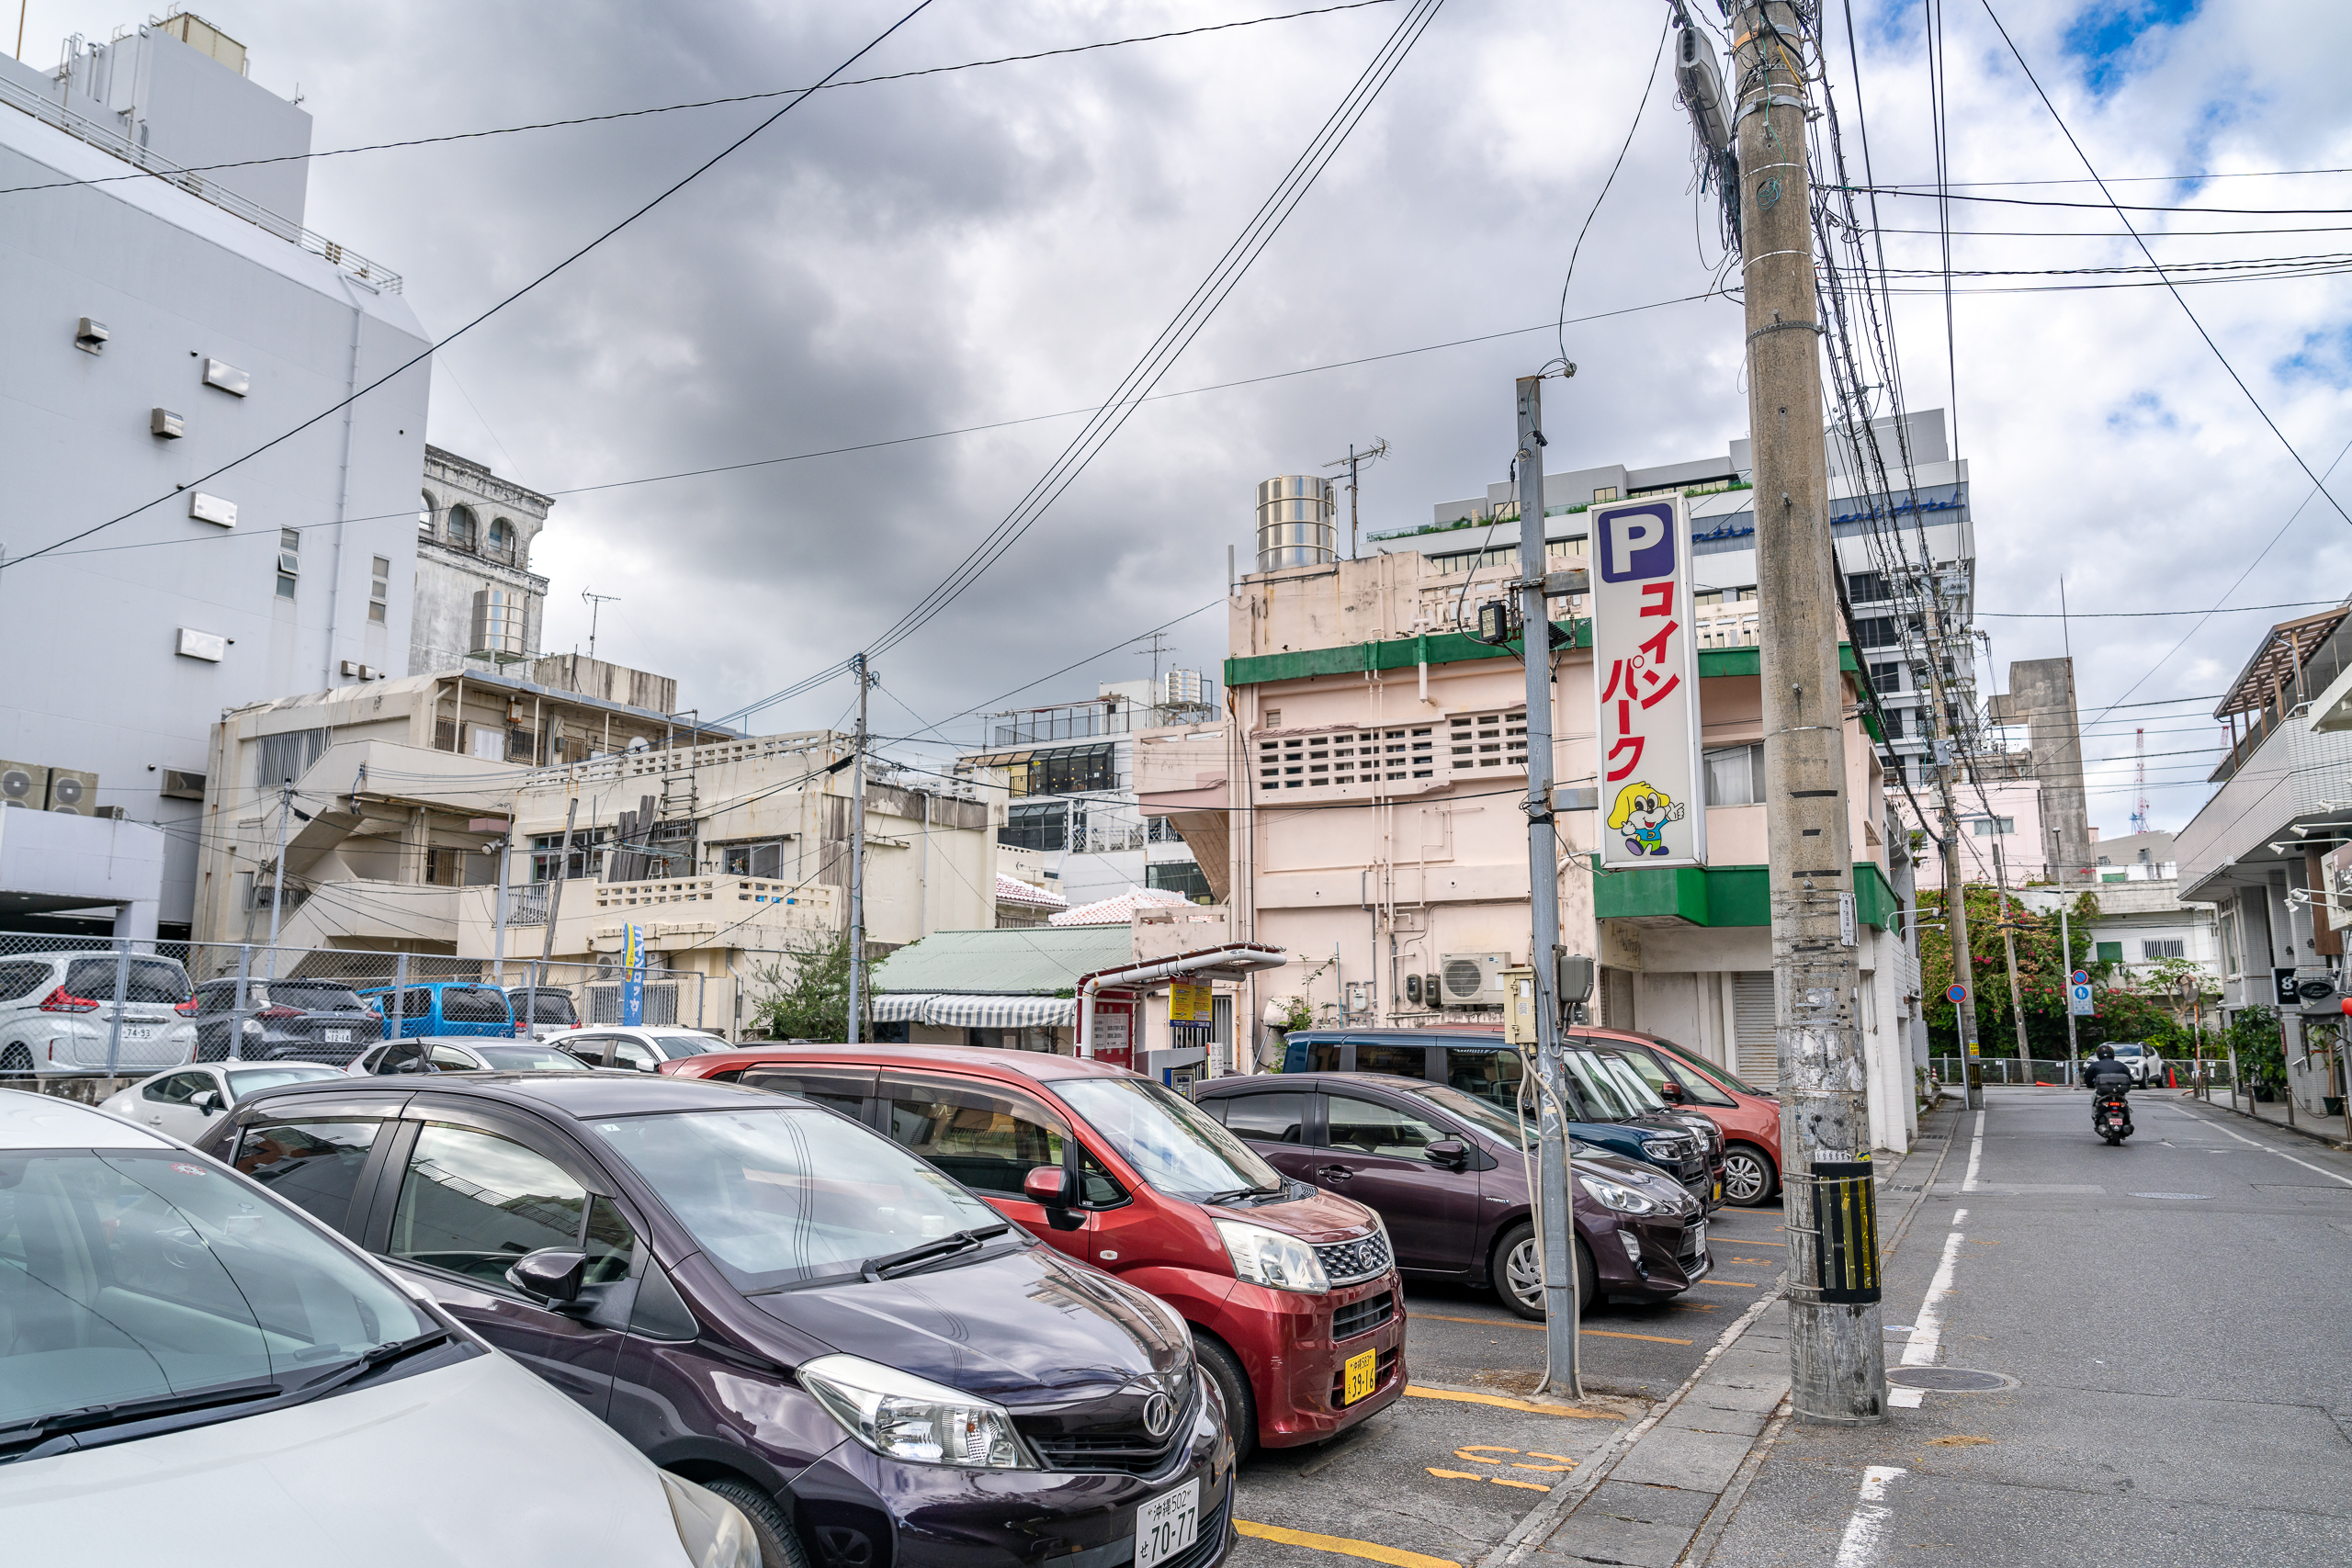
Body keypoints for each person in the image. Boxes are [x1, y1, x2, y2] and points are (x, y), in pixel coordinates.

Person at [2083, 1044, 2133, 1130]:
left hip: (2102, 1093)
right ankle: (2127, 1118)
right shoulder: (2121, 1065)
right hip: (2119, 1093)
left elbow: (2087, 1078)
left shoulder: (2095, 1065)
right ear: (2112, 1054)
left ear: (2099, 1055)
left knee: (2094, 1098)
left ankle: (2094, 1115)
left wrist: (2090, 1085)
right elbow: (2130, 1078)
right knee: (2124, 1101)